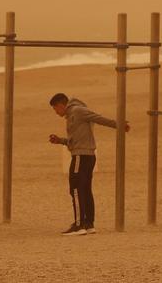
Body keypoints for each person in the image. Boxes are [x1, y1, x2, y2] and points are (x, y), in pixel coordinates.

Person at [47, 93, 130, 236]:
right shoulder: (73, 115)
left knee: (76, 189)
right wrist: (60, 140)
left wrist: (119, 124)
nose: (56, 113)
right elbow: (75, 141)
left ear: (61, 105)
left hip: (81, 156)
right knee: (84, 189)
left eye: (55, 109)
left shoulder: (77, 111)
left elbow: (98, 118)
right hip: (85, 155)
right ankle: (88, 224)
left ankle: (79, 225)